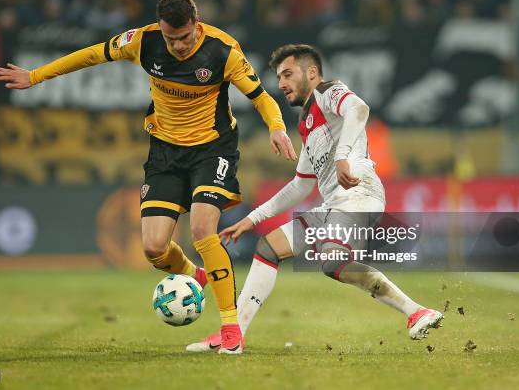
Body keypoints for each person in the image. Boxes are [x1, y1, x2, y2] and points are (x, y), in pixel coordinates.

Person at [0, 0, 296, 355]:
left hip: (213, 149)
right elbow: (92, 54)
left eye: (184, 38)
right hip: (165, 153)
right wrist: (36, 76)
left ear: (196, 25)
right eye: (171, 39)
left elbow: (261, 97)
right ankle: (197, 277)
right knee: (154, 249)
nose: (178, 46)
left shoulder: (223, 50)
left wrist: (276, 126)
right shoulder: (142, 41)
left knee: (202, 229)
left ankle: (231, 329)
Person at [187, 44, 443, 353]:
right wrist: (251, 218)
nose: (281, 84)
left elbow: (359, 109)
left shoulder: (328, 91)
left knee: (333, 261)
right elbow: (300, 186)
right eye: (278, 77)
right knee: (269, 247)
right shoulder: (307, 122)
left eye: (287, 74)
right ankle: (234, 337)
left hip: (358, 193)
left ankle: (416, 311)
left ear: (310, 72)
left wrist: (343, 157)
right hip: (335, 203)